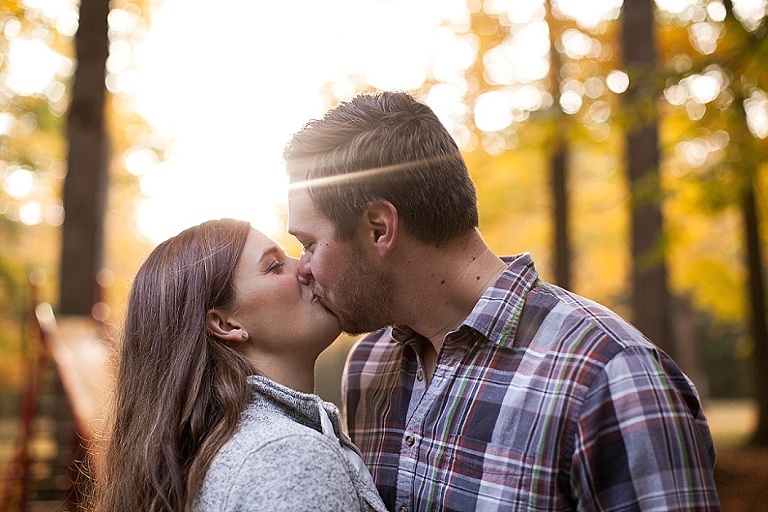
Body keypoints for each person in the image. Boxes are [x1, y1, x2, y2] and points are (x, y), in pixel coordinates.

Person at [284, 92, 721, 511]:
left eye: (309, 244)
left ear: (380, 229)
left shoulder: (612, 376)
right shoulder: (368, 367)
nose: (302, 268)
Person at [90, 218, 386, 512]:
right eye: (274, 266)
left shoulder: (215, 451)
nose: (306, 267)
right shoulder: (287, 458)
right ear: (226, 324)